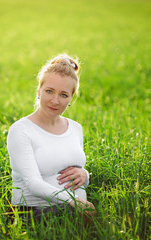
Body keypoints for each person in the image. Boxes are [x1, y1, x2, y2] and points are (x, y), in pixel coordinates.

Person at [7, 54, 95, 223]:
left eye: (63, 95)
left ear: (70, 99)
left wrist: (85, 175)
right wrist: (73, 201)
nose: (55, 101)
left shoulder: (76, 128)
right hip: (32, 212)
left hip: (76, 208)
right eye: (49, 91)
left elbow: (77, 173)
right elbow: (33, 183)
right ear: (39, 91)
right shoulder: (21, 130)